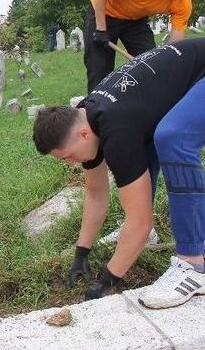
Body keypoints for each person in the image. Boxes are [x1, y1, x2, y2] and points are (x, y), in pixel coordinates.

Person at [33, 38, 205, 308]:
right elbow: (96, 194)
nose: (70, 163)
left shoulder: (116, 129)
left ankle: (193, 265)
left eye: (68, 156)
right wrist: (82, 252)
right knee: (145, 147)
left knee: (173, 138)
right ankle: (147, 242)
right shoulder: (89, 118)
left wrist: (108, 280)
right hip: (187, 79)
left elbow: (141, 220)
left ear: (82, 133)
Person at [84, 0, 200, 92]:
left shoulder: (183, 1)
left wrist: (168, 63)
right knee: (99, 68)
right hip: (105, 15)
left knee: (152, 63)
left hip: (135, 22)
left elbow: (175, 42)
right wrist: (101, 29)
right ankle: (93, 109)